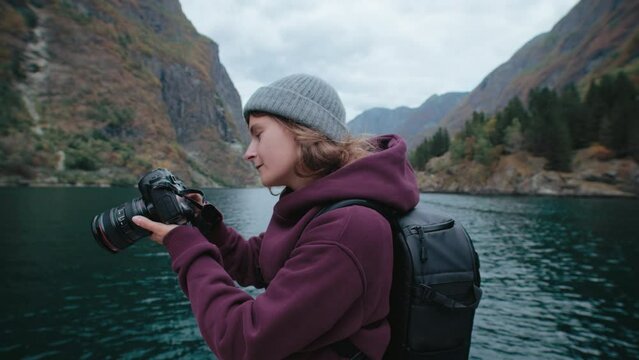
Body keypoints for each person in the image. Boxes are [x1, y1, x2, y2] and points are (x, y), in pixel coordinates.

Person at [132, 74, 419, 359]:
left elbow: (243, 340)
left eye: (259, 134)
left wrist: (185, 246)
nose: (249, 153)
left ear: (302, 131)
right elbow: (257, 262)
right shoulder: (315, 207)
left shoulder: (346, 229)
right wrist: (204, 224)